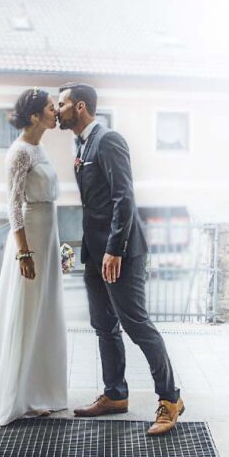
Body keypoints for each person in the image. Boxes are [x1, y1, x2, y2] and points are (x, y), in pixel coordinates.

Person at [57, 82, 184, 436]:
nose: (57, 109)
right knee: (103, 325)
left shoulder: (109, 140)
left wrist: (115, 249)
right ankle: (115, 394)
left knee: (137, 325)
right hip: (95, 252)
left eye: (62, 103)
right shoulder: (83, 145)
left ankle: (171, 399)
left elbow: (123, 198)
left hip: (121, 252)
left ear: (80, 107)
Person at [0, 88, 68, 426]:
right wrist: (24, 252)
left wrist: (59, 247)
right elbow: (14, 205)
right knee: (25, 313)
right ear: (34, 116)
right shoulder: (19, 153)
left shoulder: (40, 148)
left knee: (45, 313)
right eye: (49, 108)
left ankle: (39, 390)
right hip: (31, 241)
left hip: (49, 235)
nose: (56, 111)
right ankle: (17, 394)